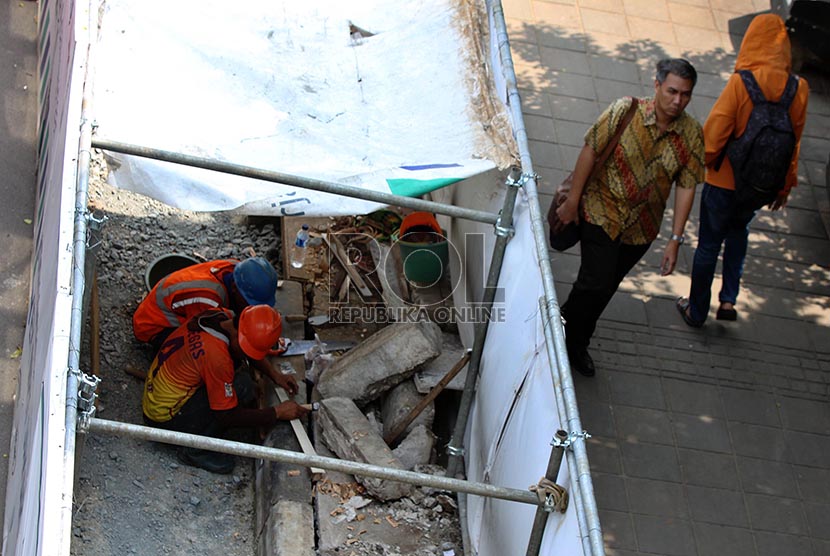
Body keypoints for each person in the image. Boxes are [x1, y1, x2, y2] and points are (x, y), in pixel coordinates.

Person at [555, 58, 705, 376]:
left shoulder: (691, 134)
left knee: (605, 286)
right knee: (594, 282)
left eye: (686, 95)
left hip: (641, 229)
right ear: (657, 86)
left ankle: (572, 335)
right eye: (672, 91)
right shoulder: (626, 110)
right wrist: (573, 201)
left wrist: (675, 241)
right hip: (602, 211)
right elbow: (590, 150)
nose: (678, 101)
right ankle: (565, 337)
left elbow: (687, 186)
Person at [676, 14, 809, 327]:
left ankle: (696, 311)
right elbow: (795, 141)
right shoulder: (799, 88)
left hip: (724, 180)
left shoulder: (742, 82)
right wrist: (785, 186)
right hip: (760, 186)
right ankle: (728, 300)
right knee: (739, 234)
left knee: (709, 244)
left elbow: (715, 135)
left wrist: (698, 165)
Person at [142, 304, 309, 473]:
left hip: (157, 399)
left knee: (240, 380)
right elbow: (227, 416)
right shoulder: (217, 357)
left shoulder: (219, 316)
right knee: (241, 387)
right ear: (238, 335)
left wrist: (274, 374)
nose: (248, 356)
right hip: (164, 418)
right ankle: (195, 450)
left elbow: (247, 349)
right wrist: (277, 412)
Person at [133, 256, 278, 349]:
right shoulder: (208, 298)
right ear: (234, 288)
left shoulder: (237, 269)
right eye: (248, 302)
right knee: (212, 348)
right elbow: (208, 331)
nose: (251, 307)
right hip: (153, 327)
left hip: (174, 305)